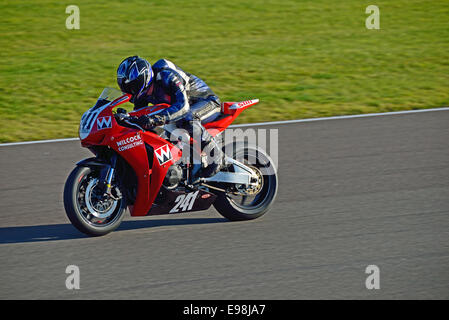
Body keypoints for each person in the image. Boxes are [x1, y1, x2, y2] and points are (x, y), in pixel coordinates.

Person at [116, 56, 225, 180]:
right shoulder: (142, 93)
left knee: (187, 117)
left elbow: (183, 107)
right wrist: (126, 119)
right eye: (124, 87)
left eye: (132, 86)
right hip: (181, 110)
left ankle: (215, 154)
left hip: (206, 102)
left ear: (142, 78)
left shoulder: (166, 76)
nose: (129, 90)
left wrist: (155, 119)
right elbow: (139, 115)